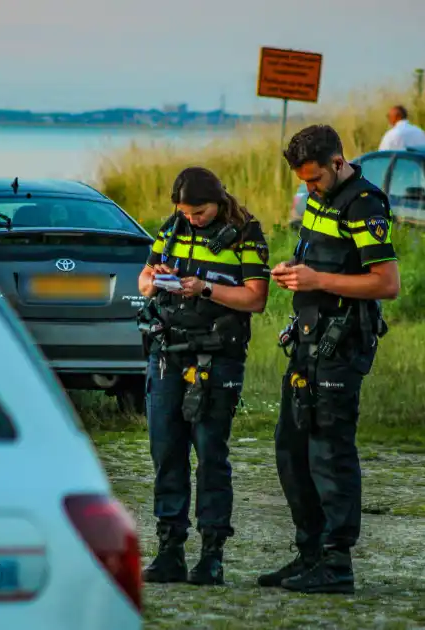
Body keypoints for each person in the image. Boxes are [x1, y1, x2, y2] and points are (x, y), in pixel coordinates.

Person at [261, 124, 401, 595]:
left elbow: (386, 283)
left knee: (329, 453)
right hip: (306, 340)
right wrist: (293, 272)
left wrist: (317, 280)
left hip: (341, 347)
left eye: (315, 178)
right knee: (291, 449)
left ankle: (337, 564)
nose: (309, 188)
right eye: (303, 181)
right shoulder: (320, 198)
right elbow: (320, 261)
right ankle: (310, 554)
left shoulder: (364, 203)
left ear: (338, 163)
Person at [136, 167, 271, 586]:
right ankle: (169, 550)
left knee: (211, 455)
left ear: (218, 200)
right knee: (166, 452)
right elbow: (145, 276)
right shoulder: (172, 228)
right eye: (186, 211)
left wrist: (205, 289)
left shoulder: (246, 233)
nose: (193, 218)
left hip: (217, 357)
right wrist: (153, 282)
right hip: (167, 353)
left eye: (200, 211)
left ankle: (212, 555)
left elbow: (256, 298)